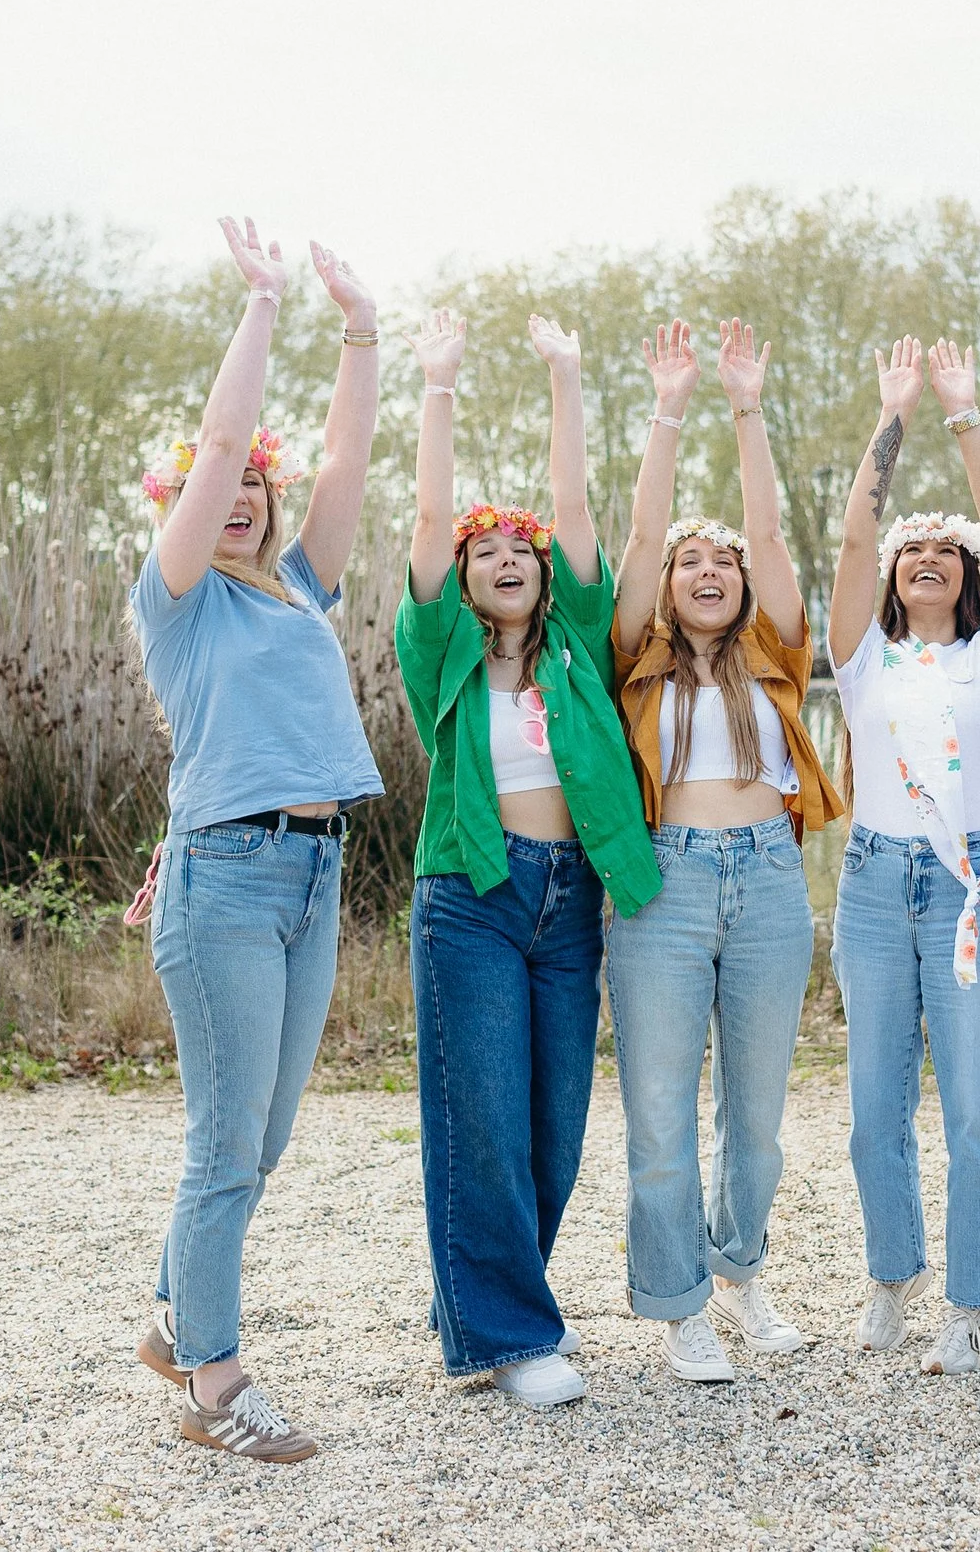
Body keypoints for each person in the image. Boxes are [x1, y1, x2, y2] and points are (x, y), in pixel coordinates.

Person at [126, 219, 382, 1462]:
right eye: (207, 492)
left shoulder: (299, 586)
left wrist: (361, 326)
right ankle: (212, 1386)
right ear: (182, 505)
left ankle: (177, 1316)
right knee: (226, 1142)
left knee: (263, 1138)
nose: (232, 498)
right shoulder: (176, 600)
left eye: (250, 491)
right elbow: (227, 437)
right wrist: (264, 304)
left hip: (314, 872)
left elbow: (345, 455)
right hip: (224, 874)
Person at [394, 307, 660, 1409]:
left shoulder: (581, 645)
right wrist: (441, 385)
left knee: (554, 1132)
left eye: (521, 552)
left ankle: (483, 1300)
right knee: (487, 1121)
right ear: (462, 581)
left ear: (547, 580)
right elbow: (422, 518)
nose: (506, 558)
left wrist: (568, 375)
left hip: (572, 895)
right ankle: (506, 1335)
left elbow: (576, 509)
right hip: (476, 892)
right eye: (484, 552)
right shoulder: (440, 649)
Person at [607, 319, 845, 1386]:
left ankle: (740, 1271)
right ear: (666, 585)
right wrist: (668, 411)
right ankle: (679, 1307)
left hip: (767, 878)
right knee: (659, 1110)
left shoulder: (778, 658)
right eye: (687, 564)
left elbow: (772, 534)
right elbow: (642, 527)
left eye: (723, 563)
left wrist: (746, 406)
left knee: (754, 1112)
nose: (708, 570)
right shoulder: (635, 660)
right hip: (662, 882)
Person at [829, 335, 980, 1377]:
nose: (925, 560)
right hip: (871, 886)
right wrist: (891, 417)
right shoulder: (862, 660)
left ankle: (973, 1302)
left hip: (966, 894)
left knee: (976, 1112)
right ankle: (890, 1272)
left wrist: (962, 414)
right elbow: (853, 547)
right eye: (914, 552)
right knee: (874, 1114)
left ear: (962, 579)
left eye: (942, 555)